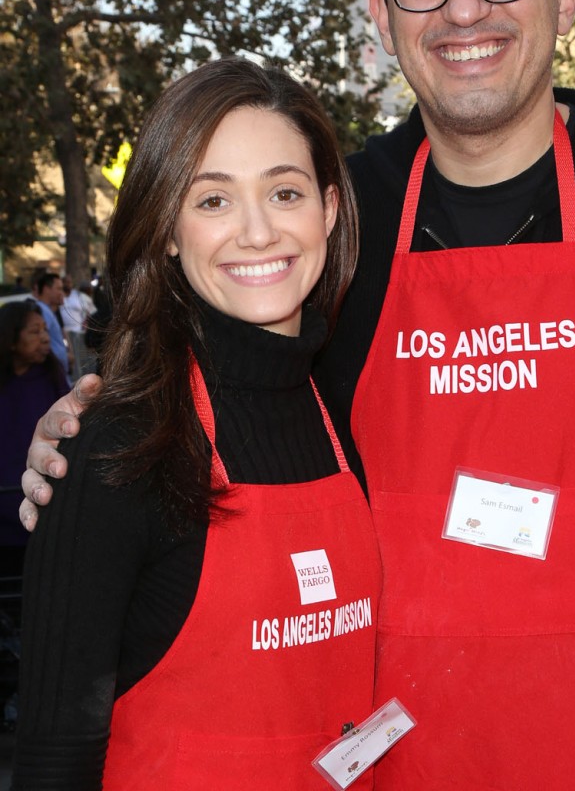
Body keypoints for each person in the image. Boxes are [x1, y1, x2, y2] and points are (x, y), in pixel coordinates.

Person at [20, 0, 575, 790]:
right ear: (382, 13)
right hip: (394, 767)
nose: (463, 9)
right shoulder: (340, 220)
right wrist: (83, 438)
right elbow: (228, 390)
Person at [12, 58, 381, 789]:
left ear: (329, 211)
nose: (256, 231)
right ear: (170, 232)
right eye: (212, 200)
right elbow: (54, 757)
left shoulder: (348, 408)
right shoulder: (119, 441)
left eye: (284, 192)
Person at [0, 302, 68, 568]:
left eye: (44, 330)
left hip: (39, 501)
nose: (43, 337)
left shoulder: (52, 377)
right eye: (33, 331)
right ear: (11, 338)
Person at [31, 272, 71, 385]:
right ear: (46, 289)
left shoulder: (48, 311)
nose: (61, 293)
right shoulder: (41, 311)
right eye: (58, 288)